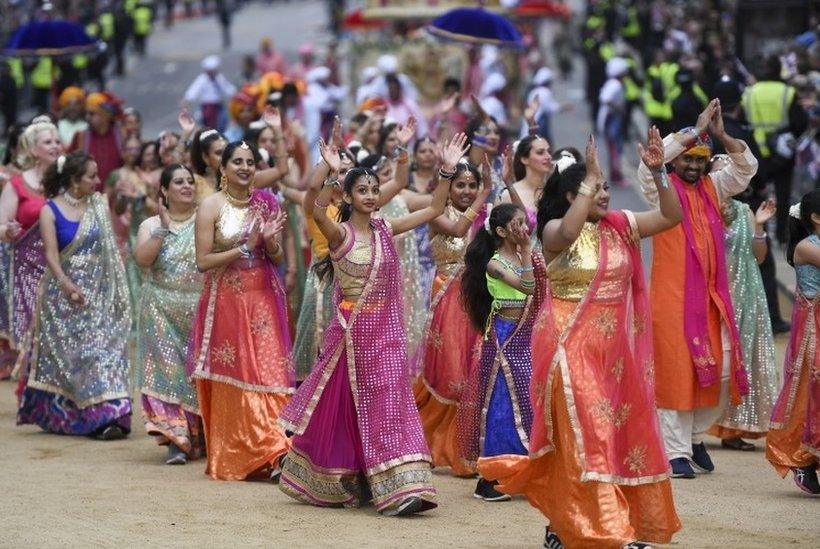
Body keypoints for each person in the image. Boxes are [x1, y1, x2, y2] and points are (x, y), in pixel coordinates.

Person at [482, 131, 683, 547]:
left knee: (606, 439)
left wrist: (660, 171)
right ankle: (609, 533)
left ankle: (563, 525)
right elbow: (569, 233)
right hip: (567, 346)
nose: (604, 193)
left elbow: (670, 217)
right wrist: (588, 180)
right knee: (588, 436)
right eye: (595, 187)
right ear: (572, 195)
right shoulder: (554, 232)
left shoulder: (621, 226)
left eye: (607, 186)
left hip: (612, 355)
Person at [278, 135, 467, 516]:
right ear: (346, 198)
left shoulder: (386, 229)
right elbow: (314, 207)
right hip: (350, 337)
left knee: (389, 403)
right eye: (361, 190)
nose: (369, 195)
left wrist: (447, 170)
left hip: (386, 335)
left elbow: (433, 208)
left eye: (373, 189)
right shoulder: (339, 234)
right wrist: (328, 170)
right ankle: (356, 477)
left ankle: (402, 487)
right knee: (349, 407)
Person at [638, 100, 758, 479]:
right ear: (674, 163)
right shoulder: (661, 189)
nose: (692, 165)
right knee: (676, 370)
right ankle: (674, 451)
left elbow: (745, 169)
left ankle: (693, 436)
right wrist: (696, 128)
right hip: (672, 298)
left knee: (720, 368)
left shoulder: (713, 186)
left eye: (699, 160)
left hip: (711, 296)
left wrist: (720, 134)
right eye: (686, 160)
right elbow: (649, 166)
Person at [187, 140, 293, 481]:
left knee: (270, 371)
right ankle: (246, 453)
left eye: (250, 161)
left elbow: (276, 258)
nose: (245, 168)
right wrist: (244, 248)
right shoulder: (210, 206)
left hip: (262, 297)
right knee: (240, 374)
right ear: (223, 167)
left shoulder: (266, 202)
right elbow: (203, 261)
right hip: (227, 301)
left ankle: (277, 450)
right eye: (237, 162)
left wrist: (270, 242)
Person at [17, 151, 131, 439]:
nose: (97, 180)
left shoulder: (99, 205)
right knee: (75, 359)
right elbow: (51, 255)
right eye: (91, 176)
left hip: (98, 293)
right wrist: (67, 285)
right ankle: (81, 416)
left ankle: (112, 416)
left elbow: (109, 250)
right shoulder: (50, 210)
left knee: (102, 351)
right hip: (62, 296)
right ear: (73, 180)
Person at [458, 201, 546, 502]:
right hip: (504, 337)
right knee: (501, 402)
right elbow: (527, 287)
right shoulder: (495, 263)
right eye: (517, 224)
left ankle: (524, 470)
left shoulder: (526, 255)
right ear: (500, 231)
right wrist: (524, 252)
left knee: (528, 397)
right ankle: (491, 476)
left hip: (525, 335)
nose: (524, 228)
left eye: (525, 222)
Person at [414, 160, 491, 477]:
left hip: (474, 301)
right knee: (448, 372)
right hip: (445, 299)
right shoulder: (438, 216)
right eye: (461, 185)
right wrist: (486, 191)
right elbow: (458, 230)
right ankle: (426, 441)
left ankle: (464, 450)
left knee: (473, 372)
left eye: (473, 185)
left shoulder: (484, 218)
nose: (467, 191)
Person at [134, 164, 203, 465]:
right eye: (178, 182)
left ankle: (198, 436)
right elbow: (143, 260)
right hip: (159, 309)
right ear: (164, 190)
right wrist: (163, 228)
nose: (187, 186)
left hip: (199, 311)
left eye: (190, 181)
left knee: (194, 376)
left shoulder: (205, 219)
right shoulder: (150, 225)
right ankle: (175, 438)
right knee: (167, 376)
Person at [710, 195, 779, 450]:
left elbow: (758, 257)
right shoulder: (698, 205)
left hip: (742, 294)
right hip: (708, 294)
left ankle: (733, 426)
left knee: (739, 359)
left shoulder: (744, 211)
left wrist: (759, 225)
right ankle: (688, 427)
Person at [766, 190, 820, 495]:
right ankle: (803, 458)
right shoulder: (806, 247)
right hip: (812, 326)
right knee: (810, 388)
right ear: (815, 218)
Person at [0, 120, 58, 352]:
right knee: (35, 334)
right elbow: (1, 225)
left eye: (57, 141)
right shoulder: (17, 184)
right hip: (27, 270)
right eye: (48, 142)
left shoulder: (69, 182)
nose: (55, 146)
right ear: (34, 150)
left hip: (63, 268)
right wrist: (8, 232)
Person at [742, 55, 809, 245]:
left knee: (756, 193)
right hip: (782, 153)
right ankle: (781, 235)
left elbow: (743, 120)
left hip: (755, 150)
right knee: (783, 193)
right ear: (780, 70)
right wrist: (788, 138)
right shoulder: (787, 92)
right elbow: (800, 122)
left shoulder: (749, 92)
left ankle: (757, 233)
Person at [70, 92, 124, 188]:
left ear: (105, 116)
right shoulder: (80, 137)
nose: (87, 117)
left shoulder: (121, 135)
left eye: (92, 114)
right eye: (86, 113)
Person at [184, 56, 237, 134]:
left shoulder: (219, 78)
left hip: (218, 106)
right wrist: (187, 99)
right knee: (207, 125)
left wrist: (235, 94)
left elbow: (227, 88)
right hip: (206, 107)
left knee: (223, 122)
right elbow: (194, 90)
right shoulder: (202, 79)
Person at [597, 57, 629, 187]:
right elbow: (605, 98)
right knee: (615, 149)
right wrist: (619, 107)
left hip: (611, 122)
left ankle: (614, 175)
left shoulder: (612, 83)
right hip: (611, 122)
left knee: (614, 149)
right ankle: (616, 177)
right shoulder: (615, 84)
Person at [189, 127, 227, 203]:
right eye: (219, 153)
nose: (225, 157)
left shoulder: (236, 179)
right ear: (205, 157)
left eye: (228, 151)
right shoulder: (194, 182)